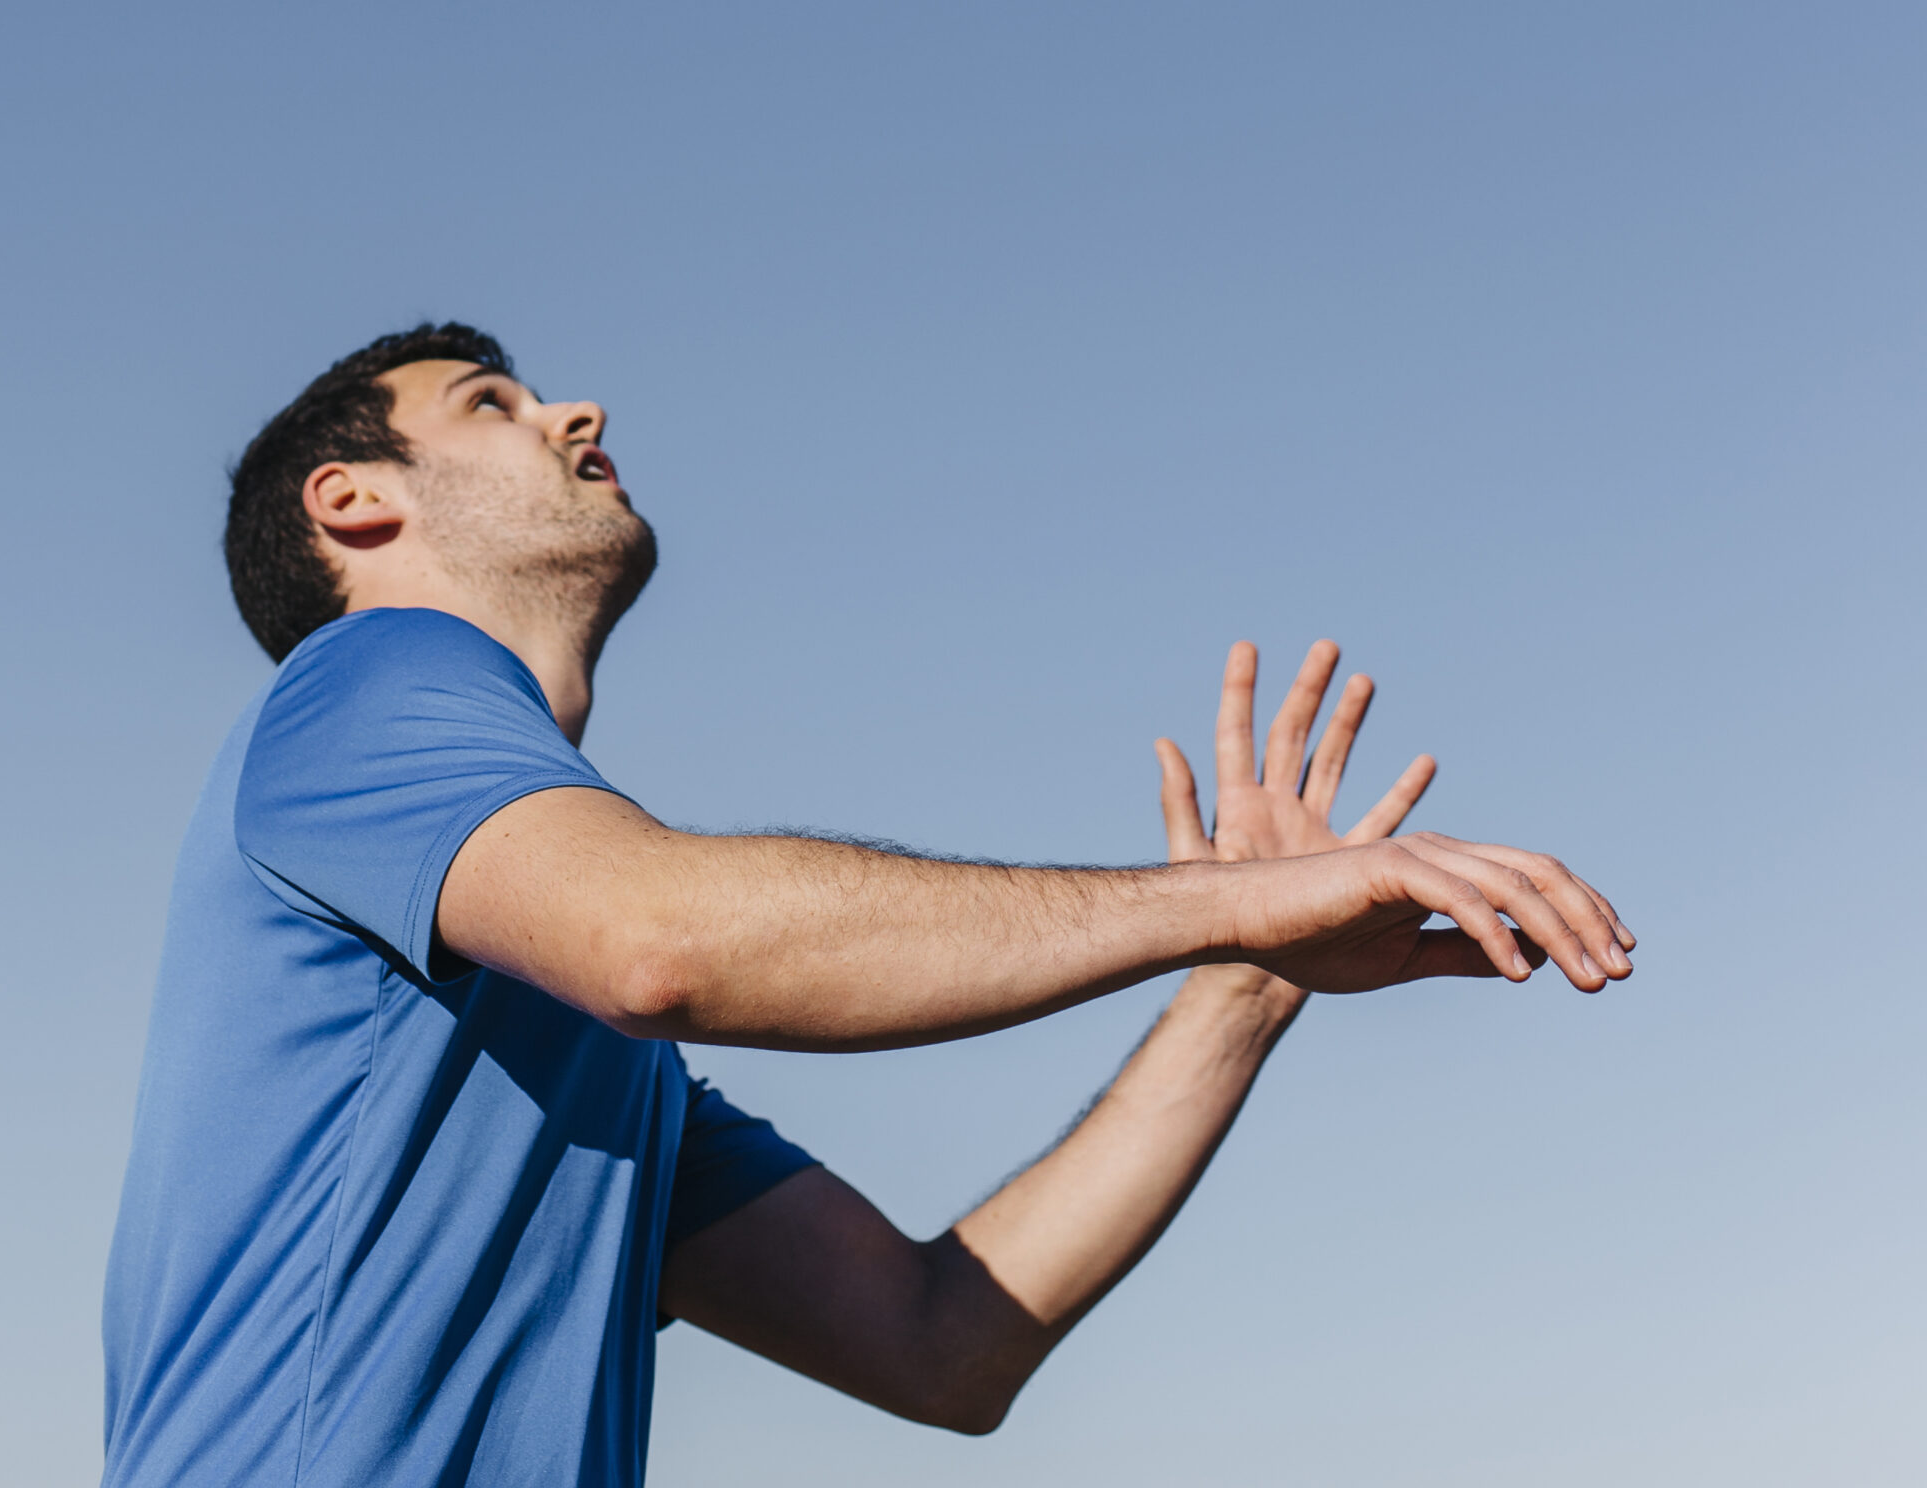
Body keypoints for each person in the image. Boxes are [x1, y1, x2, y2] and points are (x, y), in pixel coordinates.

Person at [100, 324, 1632, 1488]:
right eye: (489, 405)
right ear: (354, 504)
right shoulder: (361, 685)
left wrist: (1246, 974)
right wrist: (1216, 903)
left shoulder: (580, 1077)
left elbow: (940, 1344)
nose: (578, 413)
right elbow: (660, 941)